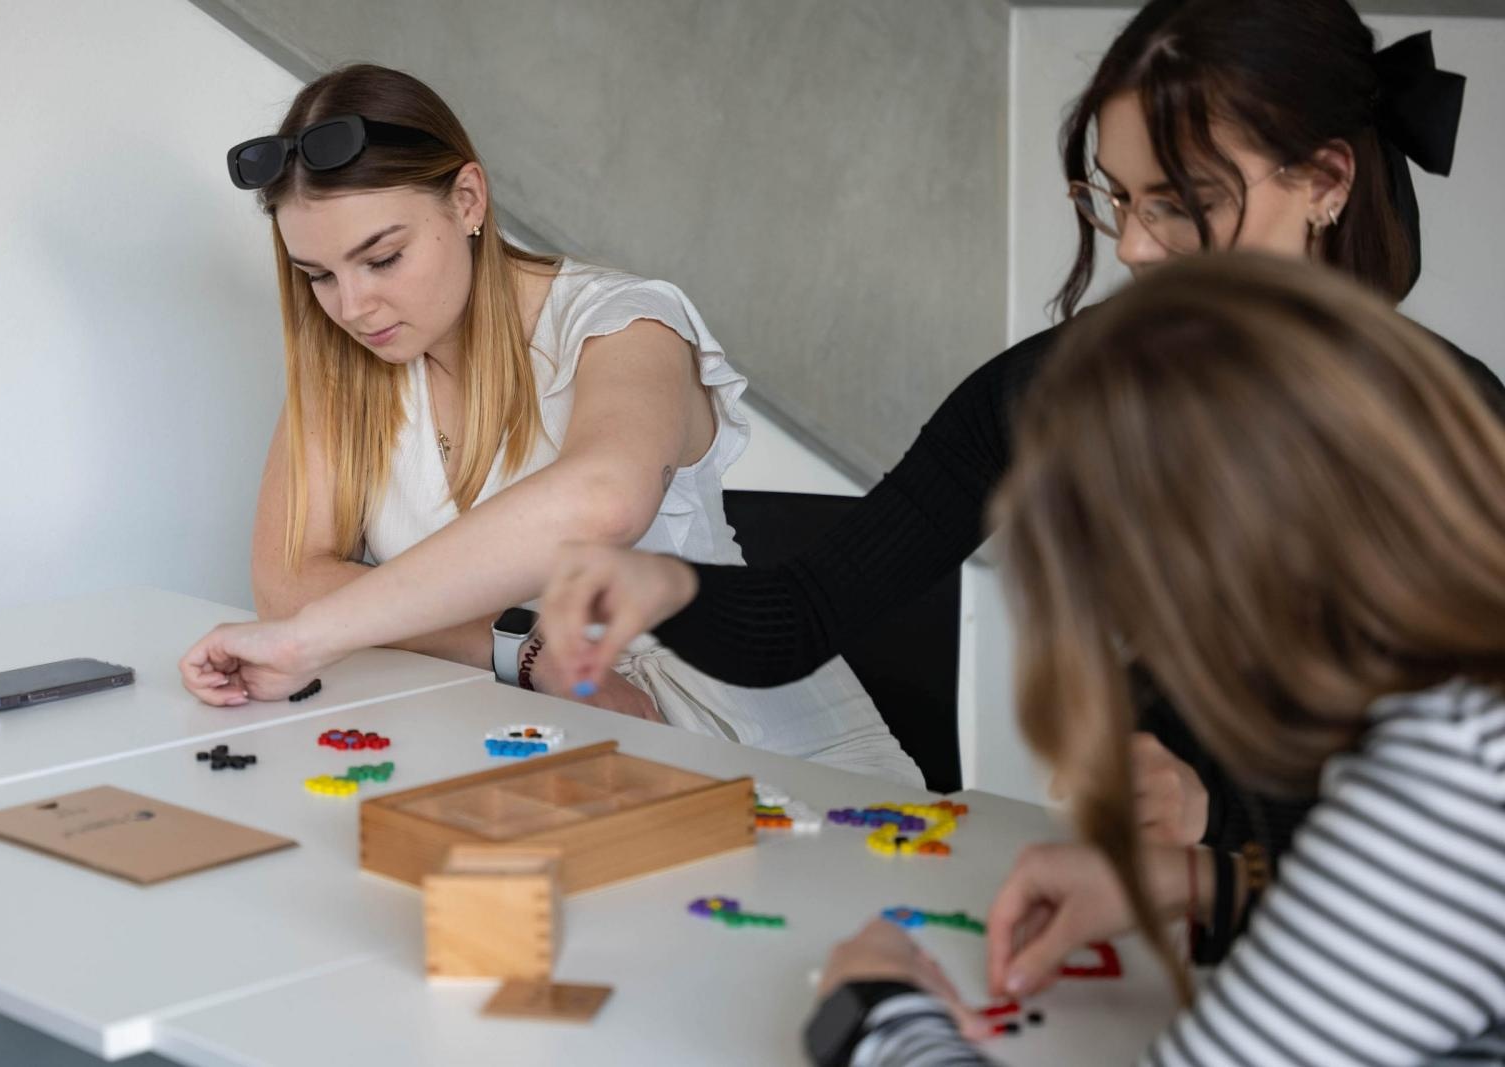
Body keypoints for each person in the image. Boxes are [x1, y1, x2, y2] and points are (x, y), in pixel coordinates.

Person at [538, 0, 1497, 861]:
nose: (1135, 246)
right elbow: (804, 616)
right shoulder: (1057, 390)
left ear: (1325, 181)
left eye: (1185, 202)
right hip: (1141, 911)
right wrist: (663, 585)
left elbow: (1461, 813)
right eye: (1119, 197)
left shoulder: (1451, 435)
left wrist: (1214, 818)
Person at [806, 252, 1505, 1066]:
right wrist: (1211, 883)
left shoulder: (1454, 773)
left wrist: (874, 1013)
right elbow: (1432, 927)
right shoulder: (1463, 717)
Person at [180, 64, 921, 785]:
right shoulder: (346, 359)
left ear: (467, 200)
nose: (352, 306)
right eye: (317, 275)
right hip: (524, 731)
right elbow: (288, 582)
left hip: (762, 744)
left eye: (383, 258)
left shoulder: (626, 324)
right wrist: (525, 650)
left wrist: (318, 633)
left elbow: (602, 501)